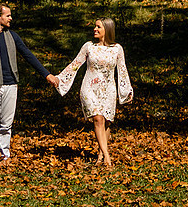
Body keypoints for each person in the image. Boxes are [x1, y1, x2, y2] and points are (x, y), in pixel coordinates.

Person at [0, 1, 59, 166]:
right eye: (8, 15)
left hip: (11, 84)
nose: (11, 18)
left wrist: (46, 75)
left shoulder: (12, 36)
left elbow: (28, 55)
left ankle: (4, 154)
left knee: (6, 122)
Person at [56, 17, 133, 167]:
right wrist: (60, 80)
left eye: (98, 27)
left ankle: (100, 156)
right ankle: (107, 157)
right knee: (98, 119)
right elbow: (75, 65)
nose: (95, 29)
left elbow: (122, 70)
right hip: (89, 88)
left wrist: (126, 90)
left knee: (106, 122)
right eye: (95, 26)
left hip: (108, 89)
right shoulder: (88, 47)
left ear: (107, 30)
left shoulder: (117, 49)